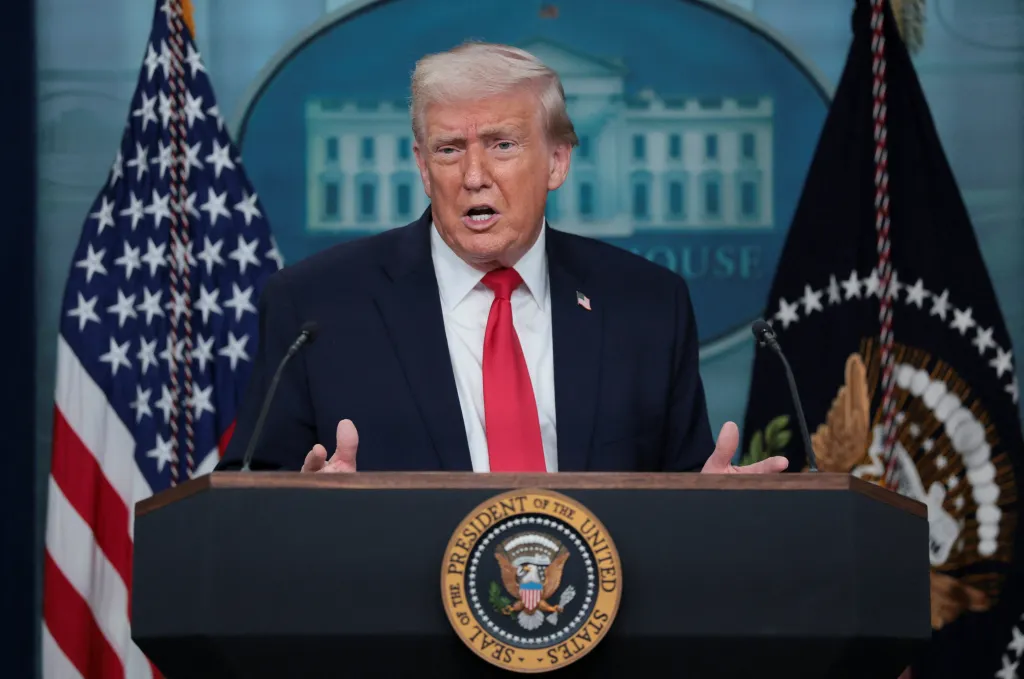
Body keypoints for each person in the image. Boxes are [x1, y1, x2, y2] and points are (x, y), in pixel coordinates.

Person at [217, 42, 787, 476]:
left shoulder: (647, 303)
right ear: (422, 165)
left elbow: (680, 491)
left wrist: (710, 510)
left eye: (502, 145)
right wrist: (295, 505)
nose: (473, 176)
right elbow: (249, 493)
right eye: (449, 150)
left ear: (558, 162)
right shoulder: (317, 307)